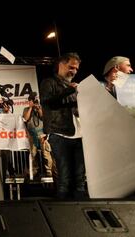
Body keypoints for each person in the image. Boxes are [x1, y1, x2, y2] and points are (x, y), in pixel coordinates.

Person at [39, 52, 87, 200]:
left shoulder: (73, 87)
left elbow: (74, 109)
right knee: (64, 178)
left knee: (79, 179)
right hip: (59, 134)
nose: (74, 71)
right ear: (61, 65)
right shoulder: (49, 82)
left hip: (78, 134)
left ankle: (81, 214)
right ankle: (64, 215)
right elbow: (48, 102)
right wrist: (70, 90)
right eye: (71, 67)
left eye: (76, 69)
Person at [22, 92, 53, 178]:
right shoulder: (26, 109)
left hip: (43, 134)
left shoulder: (42, 108)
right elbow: (25, 118)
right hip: (32, 135)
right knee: (32, 154)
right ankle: (34, 171)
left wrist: (38, 109)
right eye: (32, 100)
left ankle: (49, 170)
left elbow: (43, 117)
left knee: (46, 153)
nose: (35, 101)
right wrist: (31, 108)